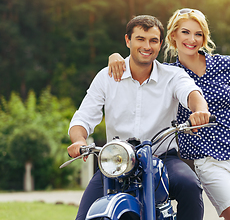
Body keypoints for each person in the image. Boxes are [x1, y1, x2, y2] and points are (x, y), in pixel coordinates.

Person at [108, 9, 230, 220]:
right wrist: (115, 56)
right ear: (173, 35)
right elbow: (138, 63)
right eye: (185, 32)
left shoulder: (227, 64)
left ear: (204, 37)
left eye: (198, 34)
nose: (192, 39)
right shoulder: (168, 74)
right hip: (208, 160)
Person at [67, 15, 210, 220]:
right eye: (140, 39)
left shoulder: (172, 75)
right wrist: (79, 140)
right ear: (128, 40)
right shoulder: (106, 77)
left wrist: (199, 111)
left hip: (162, 158)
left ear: (160, 44)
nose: (147, 45)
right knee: (85, 216)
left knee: (190, 186)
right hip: (116, 162)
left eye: (153, 40)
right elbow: (83, 117)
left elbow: (191, 94)